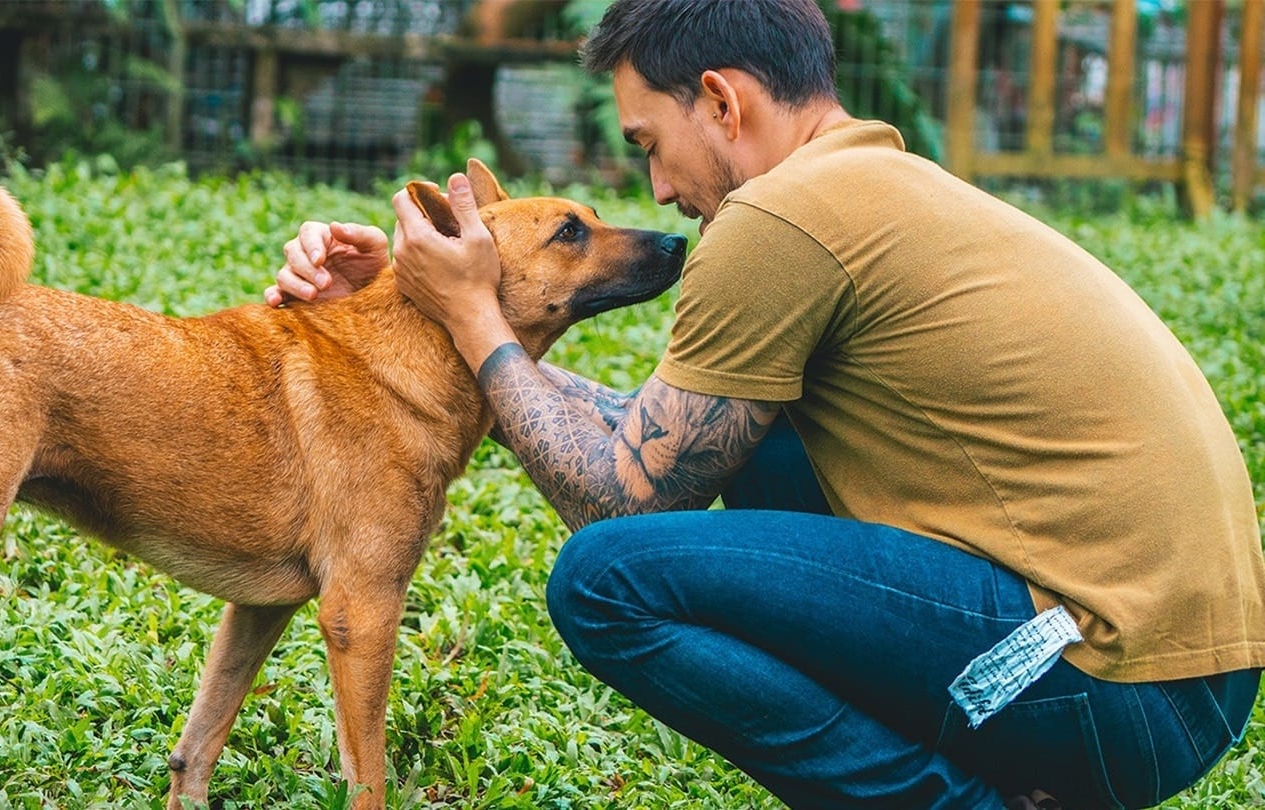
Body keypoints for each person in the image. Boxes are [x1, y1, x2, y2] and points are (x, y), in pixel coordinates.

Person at [266, 1, 1265, 807]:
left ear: (722, 103)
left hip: (1111, 680)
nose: (655, 187)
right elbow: (664, 438)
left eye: (651, 144)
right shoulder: (866, 185)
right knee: (763, 459)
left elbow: (617, 500)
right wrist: (422, 319)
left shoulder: (777, 223)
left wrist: (478, 322)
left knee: (605, 580)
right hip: (1177, 676)